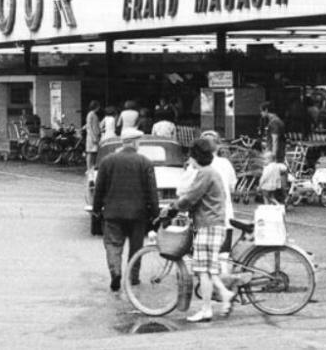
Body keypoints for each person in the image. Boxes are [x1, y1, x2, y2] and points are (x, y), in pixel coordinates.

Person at [167, 138, 234, 323]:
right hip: (214, 223)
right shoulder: (211, 172)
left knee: (203, 270)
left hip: (208, 224)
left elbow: (191, 197)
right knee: (209, 269)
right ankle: (225, 293)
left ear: (195, 157)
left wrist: (172, 208)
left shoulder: (205, 174)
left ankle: (206, 310)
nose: (189, 160)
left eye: (191, 156)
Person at [92, 132, 160, 293]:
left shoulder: (107, 161)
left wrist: (96, 209)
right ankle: (133, 277)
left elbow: (99, 188)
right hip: (138, 214)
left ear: (123, 143)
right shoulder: (145, 162)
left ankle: (115, 272)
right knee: (136, 247)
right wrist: (155, 214)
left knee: (113, 245)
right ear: (135, 143)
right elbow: (152, 191)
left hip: (112, 213)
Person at [85, 101, 102, 171]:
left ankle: (92, 167)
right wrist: (93, 137)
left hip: (95, 135)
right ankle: (89, 168)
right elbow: (89, 127)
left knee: (94, 152)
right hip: (92, 136)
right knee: (90, 152)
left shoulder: (94, 114)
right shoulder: (91, 114)